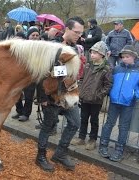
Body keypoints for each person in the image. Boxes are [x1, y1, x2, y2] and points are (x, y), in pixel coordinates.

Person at [35, 16, 85, 172]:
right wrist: (42, 98)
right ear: (67, 29)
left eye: (81, 33)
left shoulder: (76, 48)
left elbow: (74, 73)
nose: (79, 35)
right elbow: (40, 72)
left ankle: (60, 153)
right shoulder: (52, 47)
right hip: (52, 94)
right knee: (48, 127)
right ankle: (40, 156)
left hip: (69, 94)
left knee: (75, 123)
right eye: (76, 32)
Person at [98, 45, 139, 162]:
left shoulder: (137, 70)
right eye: (123, 57)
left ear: (134, 57)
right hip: (114, 101)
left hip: (128, 103)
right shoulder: (116, 69)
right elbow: (109, 82)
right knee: (109, 123)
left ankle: (119, 149)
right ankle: (103, 145)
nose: (124, 59)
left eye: (127, 56)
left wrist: (135, 95)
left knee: (123, 127)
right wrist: (111, 93)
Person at [71, 41, 112, 150]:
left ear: (102, 55)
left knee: (94, 120)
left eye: (95, 53)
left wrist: (99, 95)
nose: (92, 55)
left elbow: (108, 85)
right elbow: (81, 79)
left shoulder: (106, 69)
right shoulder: (88, 65)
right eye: (92, 52)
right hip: (84, 98)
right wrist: (80, 90)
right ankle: (81, 137)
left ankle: (92, 140)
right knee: (83, 118)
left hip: (95, 100)